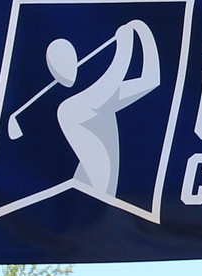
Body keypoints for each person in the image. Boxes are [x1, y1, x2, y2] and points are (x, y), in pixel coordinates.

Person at [51, 19, 160, 200]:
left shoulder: (105, 101)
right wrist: (125, 45)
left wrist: (144, 33)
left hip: (99, 200)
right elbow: (110, 82)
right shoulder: (68, 109)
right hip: (86, 198)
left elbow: (151, 80)